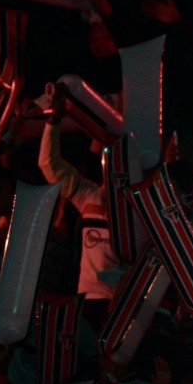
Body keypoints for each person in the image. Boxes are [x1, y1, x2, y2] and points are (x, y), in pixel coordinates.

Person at [38, 81, 120, 322]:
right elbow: (49, 164)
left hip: (122, 307)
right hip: (86, 303)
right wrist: (54, 120)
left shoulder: (141, 206)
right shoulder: (91, 196)